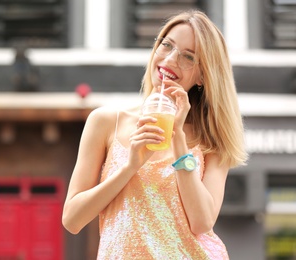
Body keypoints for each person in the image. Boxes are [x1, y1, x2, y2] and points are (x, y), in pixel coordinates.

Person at [62, 10, 248, 259]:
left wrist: (179, 139)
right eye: (166, 45)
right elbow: (73, 219)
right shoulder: (106, 122)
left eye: (188, 57)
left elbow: (201, 223)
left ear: (203, 75)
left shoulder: (211, 140)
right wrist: (130, 167)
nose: (170, 59)